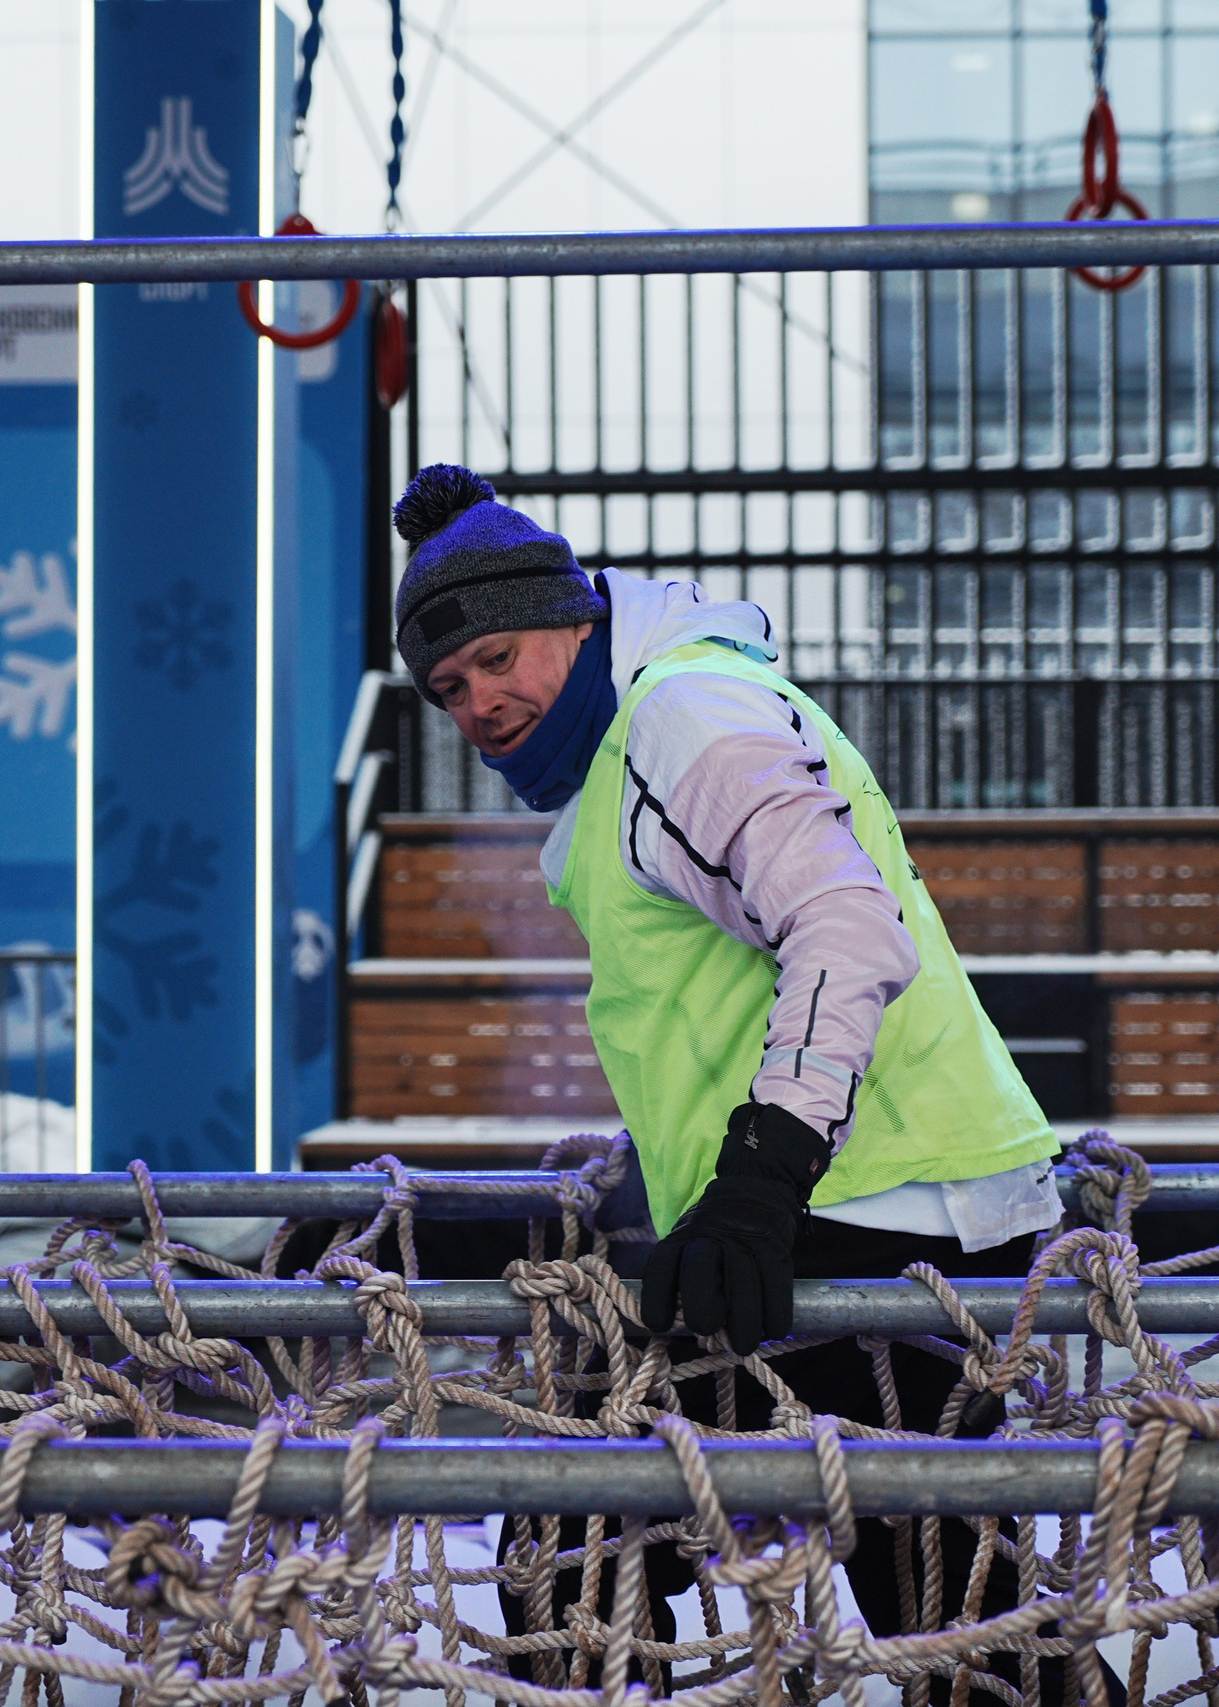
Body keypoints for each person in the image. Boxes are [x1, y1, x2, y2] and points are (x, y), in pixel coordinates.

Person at [391, 464, 1119, 1705]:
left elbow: (844, 923)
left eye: (501, 657)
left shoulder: (685, 721)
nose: (481, 701)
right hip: (866, 1212)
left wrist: (756, 1178)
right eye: (451, 687)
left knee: (582, 1537)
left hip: (873, 1218)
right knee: (937, 1605)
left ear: (577, 621)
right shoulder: (629, 751)